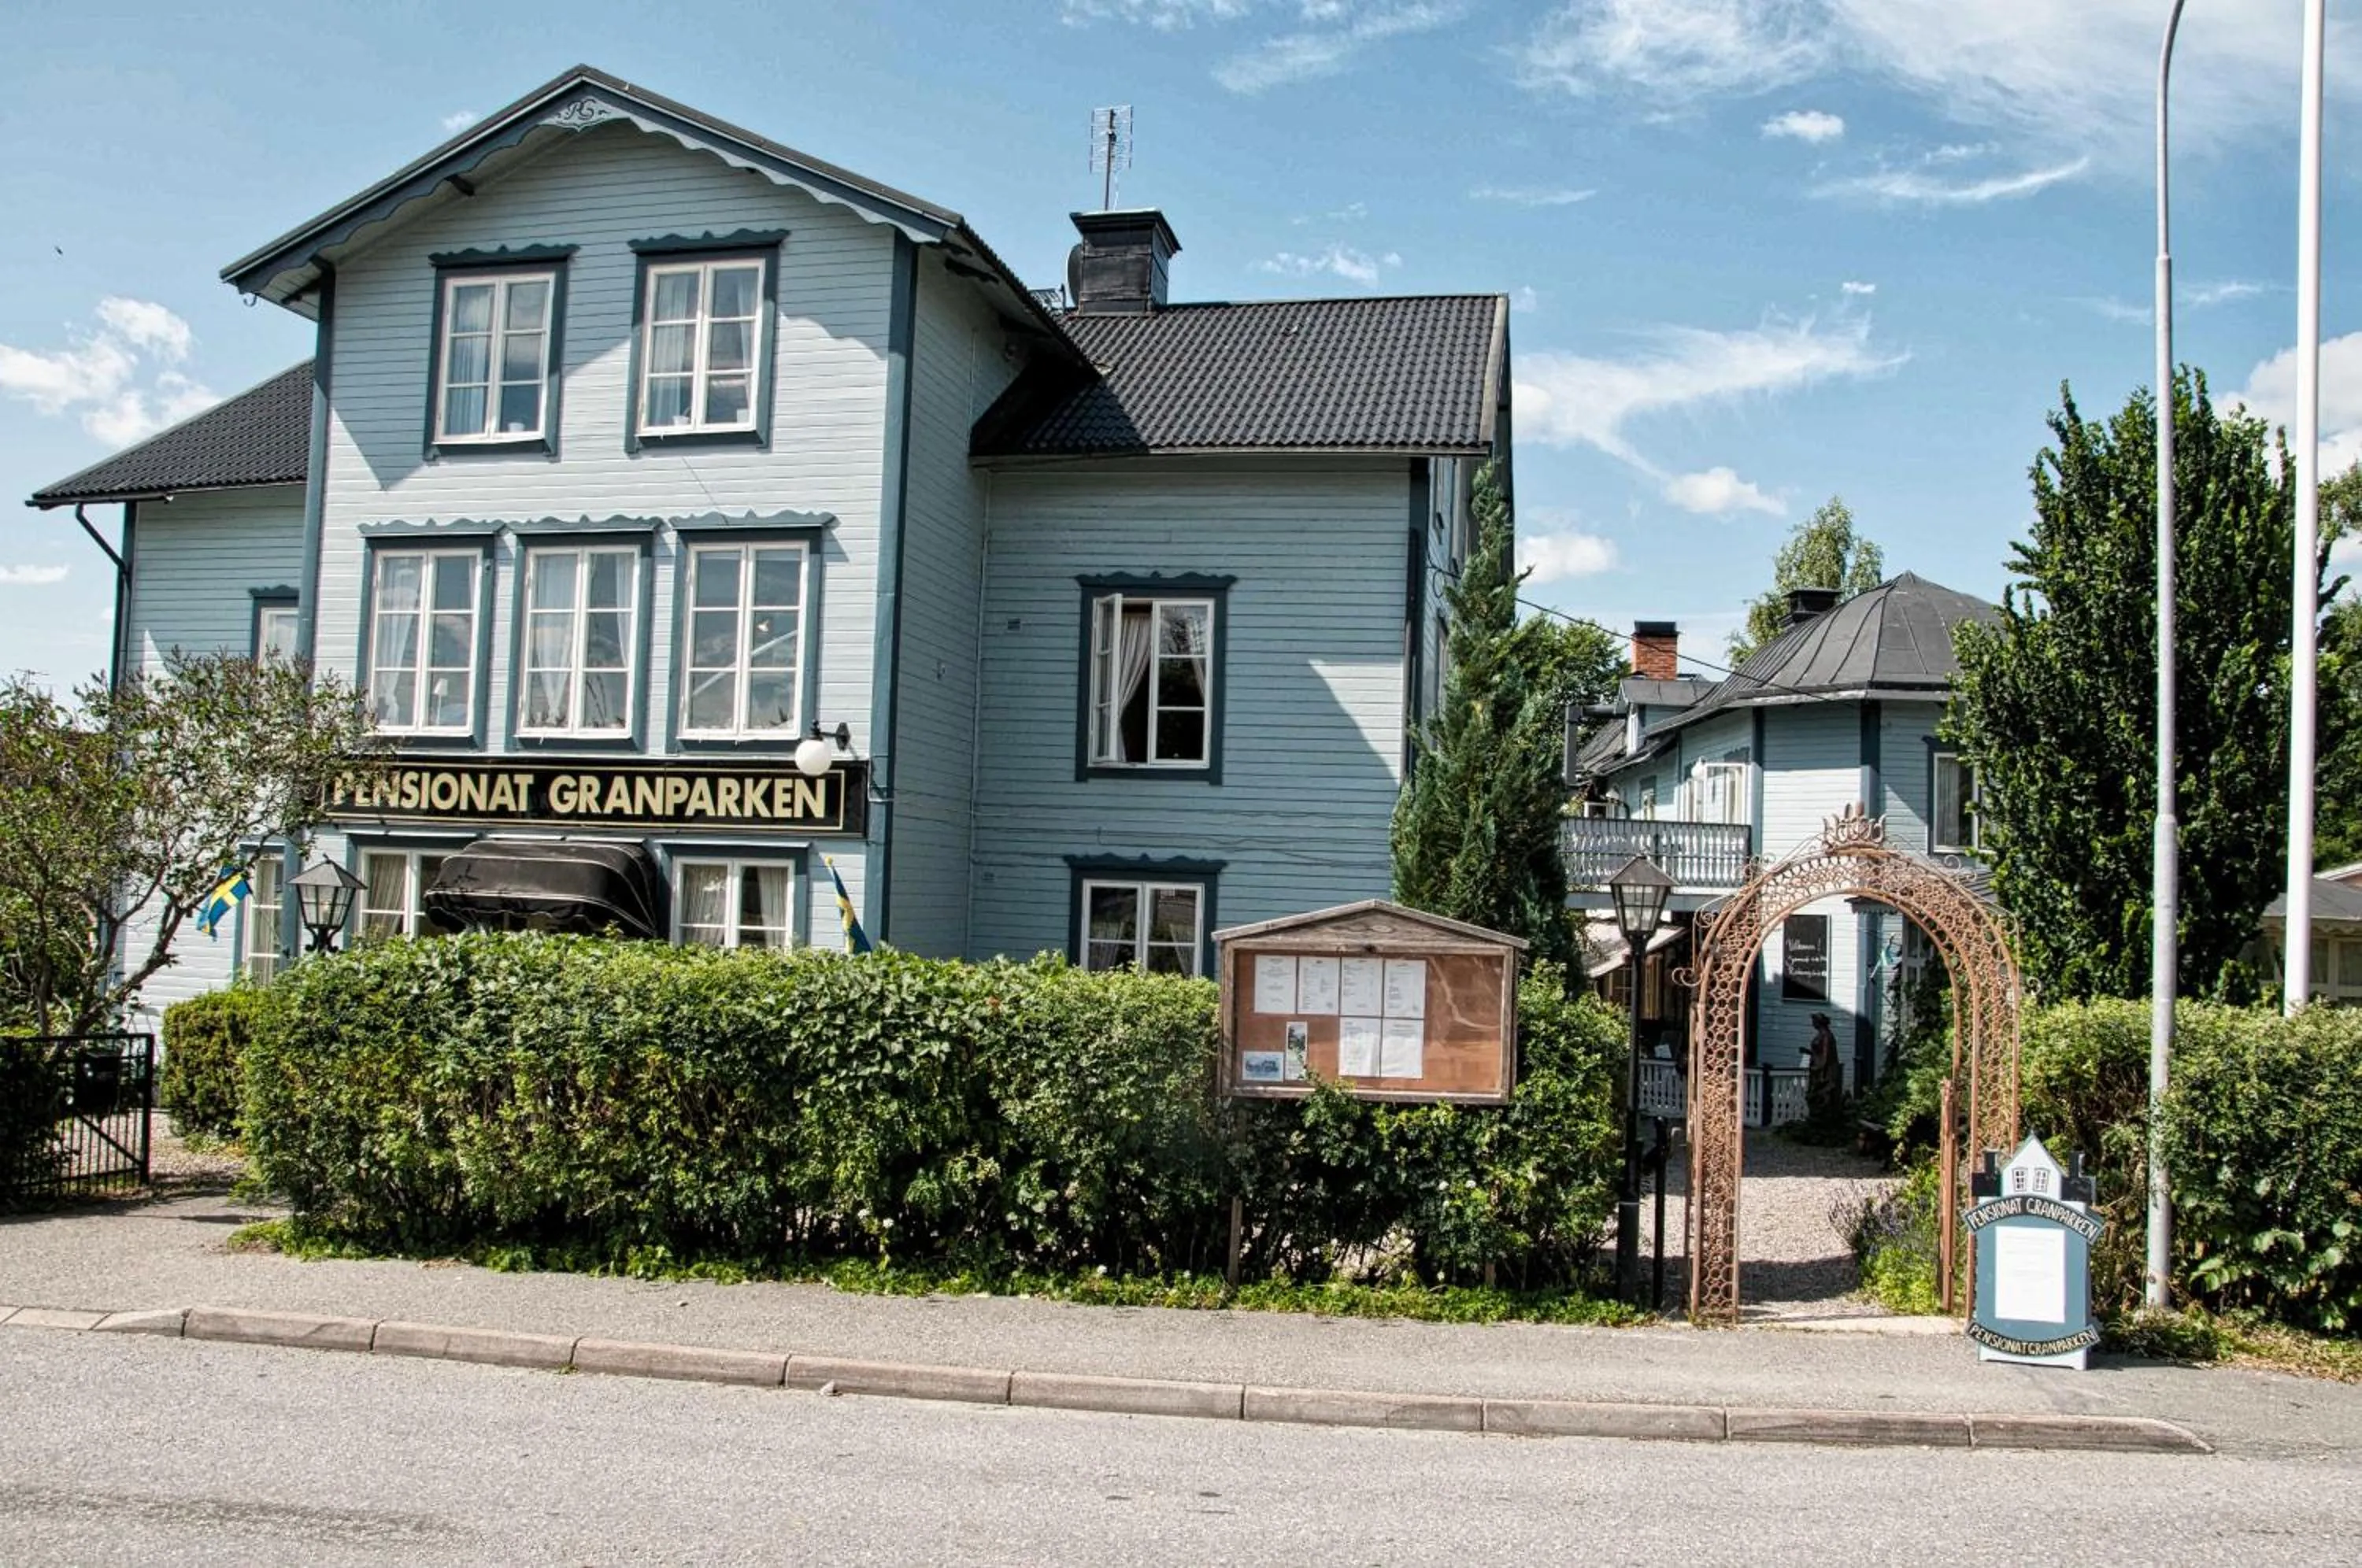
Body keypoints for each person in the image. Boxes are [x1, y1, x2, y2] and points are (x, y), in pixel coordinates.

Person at [1805, 1012, 1845, 1129]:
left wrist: (1819, 1068)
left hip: (1825, 1071)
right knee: (1816, 1095)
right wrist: (1809, 1052)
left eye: (1814, 1021)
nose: (1813, 1023)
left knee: (1823, 1096)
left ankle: (1825, 1125)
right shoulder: (1821, 1035)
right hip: (1818, 1069)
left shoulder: (1826, 1036)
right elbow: (1818, 1053)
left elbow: (1826, 1055)